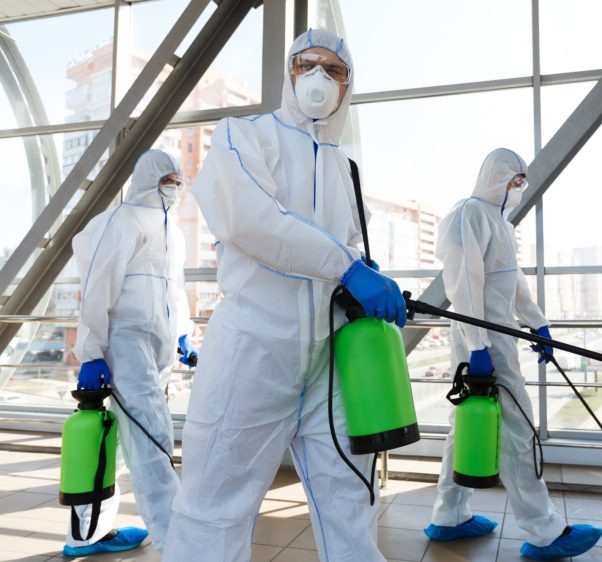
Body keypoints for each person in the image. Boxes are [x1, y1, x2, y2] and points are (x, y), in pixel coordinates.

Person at [163, 29, 406, 562]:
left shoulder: (344, 167)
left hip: (330, 357)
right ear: (289, 73)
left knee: (350, 502)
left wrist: (360, 269)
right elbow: (252, 220)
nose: (319, 77)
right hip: (253, 349)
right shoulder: (243, 135)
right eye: (307, 65)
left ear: (347, 87)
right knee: (214, 508)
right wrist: (346, 265)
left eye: (333, 70)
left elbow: (341, 246)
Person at [424, 148, 602, 560]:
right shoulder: (468, 214)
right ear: (494, 176)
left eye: (521, 181)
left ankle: (448, 516)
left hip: (496, 337)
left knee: (466, 425)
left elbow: (512, 281)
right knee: (517, 430)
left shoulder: (500, 224)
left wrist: (537, 321)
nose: (516, 188)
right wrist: (478, 347)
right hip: (483, 339)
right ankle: (544, 532)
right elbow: (463, 284)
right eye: (511, 180)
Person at [66, 149, 198, 557]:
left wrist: (182, 335)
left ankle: (88, 534)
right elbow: (97, 285)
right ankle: (175, 537)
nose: (174, 187)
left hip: (156, 345)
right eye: (167, 179)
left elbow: (173, 290)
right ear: (147, 179)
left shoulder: (172, 232)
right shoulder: (124, 222)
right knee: (150, 434)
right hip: (125, 341)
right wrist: (90, 349)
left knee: (122, 445)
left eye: (178, 180)